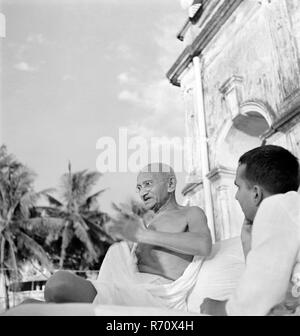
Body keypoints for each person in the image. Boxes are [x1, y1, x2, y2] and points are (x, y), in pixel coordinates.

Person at [42, 163, 212, 311]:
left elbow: (203, 245)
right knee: (26, 305)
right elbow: (127, 262)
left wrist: (145, 235)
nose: (142, 192)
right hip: (127, 287)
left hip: (155, 297)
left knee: (58, 283)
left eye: (147, 184)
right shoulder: (145, 221)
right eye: (139, 188)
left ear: (170, 184)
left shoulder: (190, 213)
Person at [200, 145, 300, 316]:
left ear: (256, 193)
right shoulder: (288, 212)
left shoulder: (276, 206)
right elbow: (274, 300)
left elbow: (251, 307)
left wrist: (212, 307)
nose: (236, 196)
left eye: (238, 187)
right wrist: (248, 245)